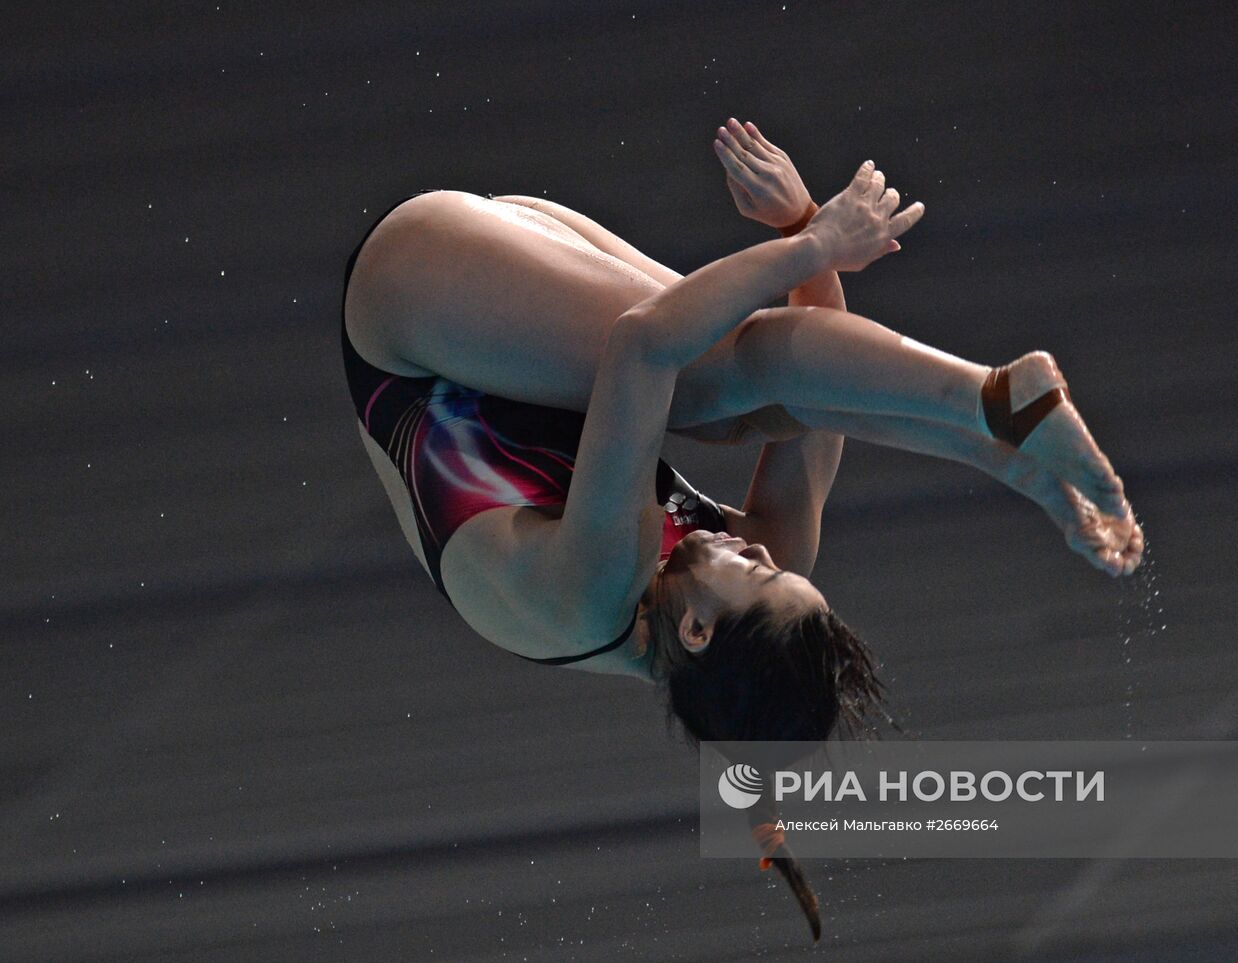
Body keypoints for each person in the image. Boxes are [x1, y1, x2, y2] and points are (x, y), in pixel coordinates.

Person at [341, 119, 1144, 938]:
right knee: (752, 410)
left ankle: (997, 406)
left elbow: (644, 342)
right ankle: (1002, 445)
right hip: (506, 308)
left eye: (757, 573)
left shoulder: (589, 592)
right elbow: (813, 393)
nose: (760, 549)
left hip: (414, 297)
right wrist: (802, 226)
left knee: (696, 382)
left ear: (694, 629)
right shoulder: (711, 589)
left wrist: (811, 245)